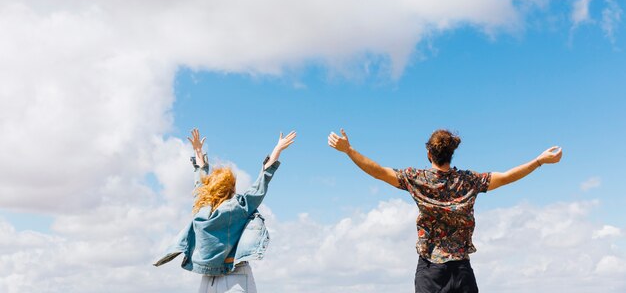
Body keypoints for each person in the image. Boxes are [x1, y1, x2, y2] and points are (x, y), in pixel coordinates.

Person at [327, 128, 562, 293]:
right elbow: (507, 177)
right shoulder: (469, 181)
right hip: (461, 270)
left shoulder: (416, 179)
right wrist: (538, 161)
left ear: (429, 154)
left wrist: (349, 150)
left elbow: (378, 171)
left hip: (430, 270)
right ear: (451, 154)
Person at [155, 128, 296, 293]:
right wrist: (277, 149)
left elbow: (200, 183)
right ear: (231, 188)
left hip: (209, 280)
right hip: (236, 275)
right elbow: (261, 183)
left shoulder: (201, 210)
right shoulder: (239, 207)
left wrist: (198, 152)